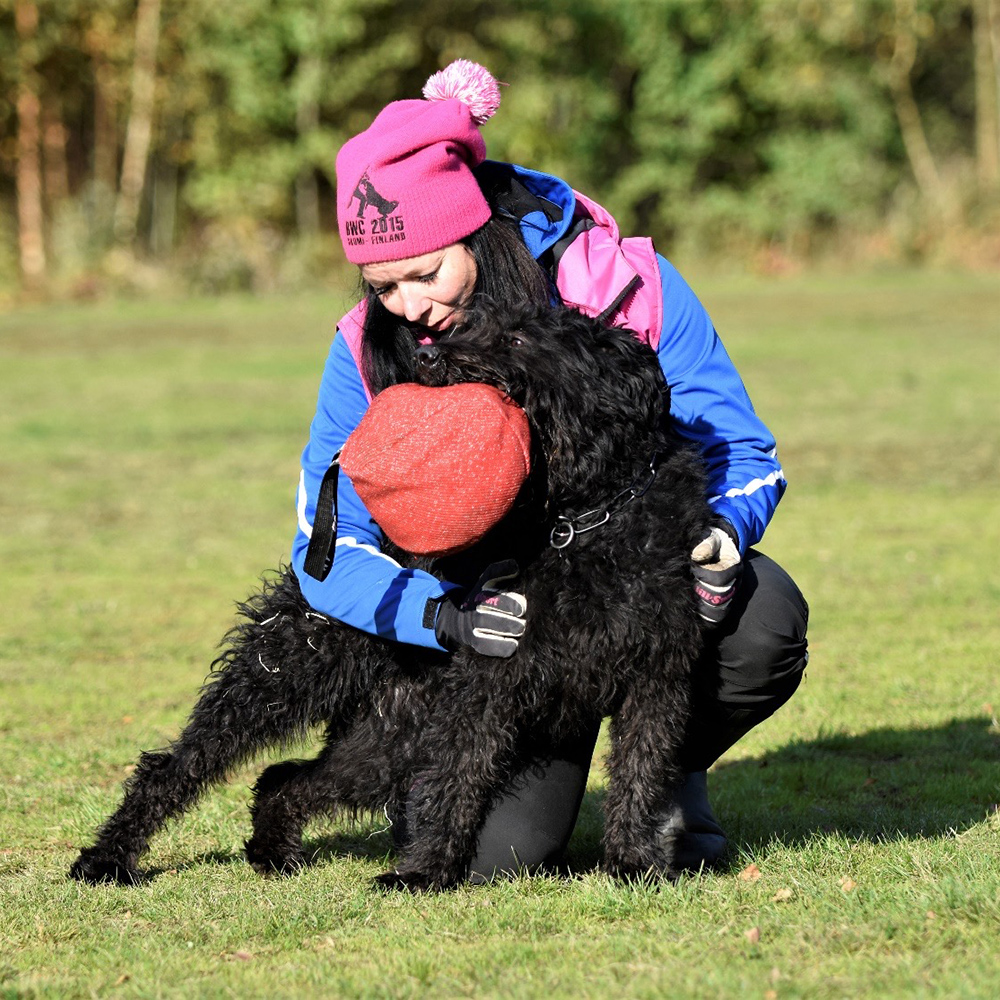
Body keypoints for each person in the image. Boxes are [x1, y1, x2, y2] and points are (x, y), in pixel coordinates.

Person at [292, 60, 809, 878]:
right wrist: (442, 617)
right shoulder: (366, 345)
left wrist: (722, 531)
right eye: (381, 284)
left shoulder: (629, 284)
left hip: (639, 580)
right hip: (504, 621)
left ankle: (663, 776)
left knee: (761, 621)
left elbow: (737, 450)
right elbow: (324, 549)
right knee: (500, 859)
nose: (408, 307)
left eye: (426, 273)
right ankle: (465, 772)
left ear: (480, 234)